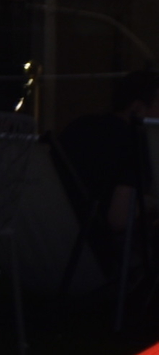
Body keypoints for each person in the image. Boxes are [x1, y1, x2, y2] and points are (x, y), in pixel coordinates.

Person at [59, 69, 159, 236]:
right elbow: (119, 219)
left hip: (56, 236)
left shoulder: (78, 127)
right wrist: (151, 204)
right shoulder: (135, 144)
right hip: (98, 246)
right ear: (137, 109)